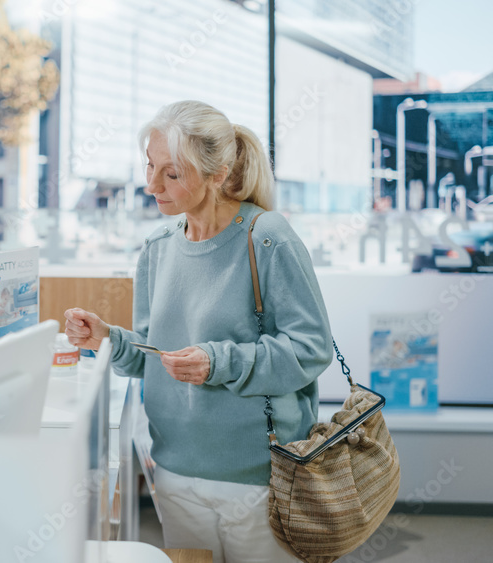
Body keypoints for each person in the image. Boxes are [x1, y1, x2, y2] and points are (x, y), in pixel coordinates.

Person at [65, 101, 332, 563]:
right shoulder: (157, 248)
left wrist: (218, 362)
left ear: (217, 174)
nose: (151, 185)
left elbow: (311, 350)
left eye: (172, 173)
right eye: (149, 166)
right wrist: (106, 337)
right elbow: (151, 354)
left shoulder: (267, 237)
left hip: (259, 475)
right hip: (174, 469)